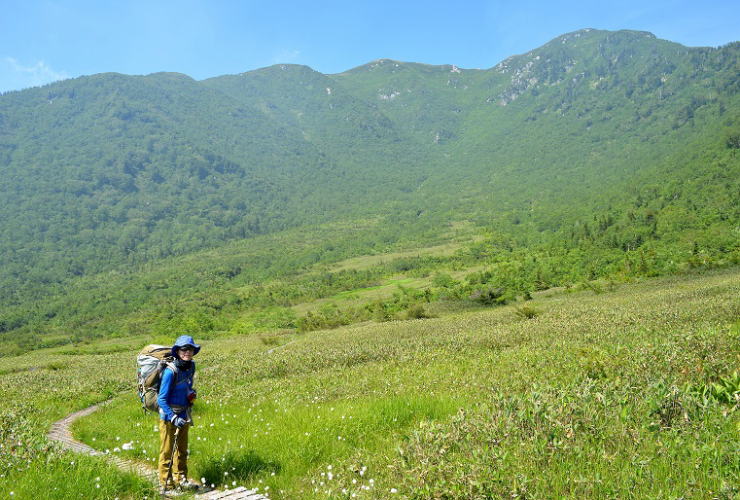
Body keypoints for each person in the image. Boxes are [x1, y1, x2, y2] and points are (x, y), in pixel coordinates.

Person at [157, 335, 199, 492]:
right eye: (184, 349)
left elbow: (188, 386)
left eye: (190, 349)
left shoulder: (191, 367)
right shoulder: (170, 371)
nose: (187, 352)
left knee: (182, 450)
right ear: (178, 351)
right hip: (169, 417)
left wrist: (191, 394)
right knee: (167, 451)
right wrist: (173, 417)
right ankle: (166, 484)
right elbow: (161, 399)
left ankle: (181, 480)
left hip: (184, 414)